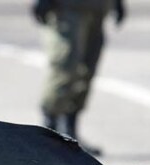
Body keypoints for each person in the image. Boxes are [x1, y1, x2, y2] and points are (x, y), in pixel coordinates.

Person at [32, 0, 126, 155]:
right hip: (67, 8)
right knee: (66, 66)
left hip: (98, 8)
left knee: (86, 70)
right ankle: (48, 131)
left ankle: (70, 133)